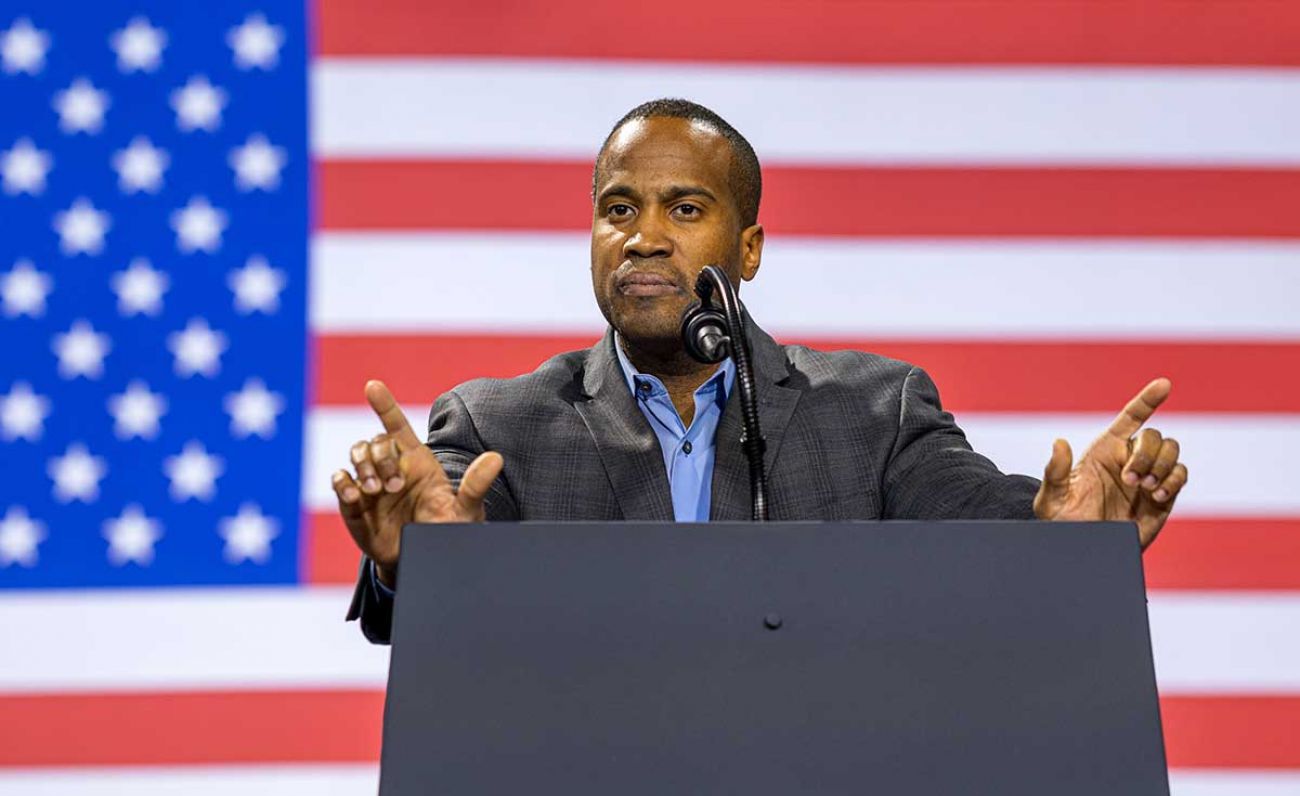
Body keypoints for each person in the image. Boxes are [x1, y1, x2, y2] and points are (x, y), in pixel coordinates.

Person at [334, 99, 1188, 644]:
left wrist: (1065, 539)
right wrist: (418, 559)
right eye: (618, 208)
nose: (645, 235)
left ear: (747, 249)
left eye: (687, 208)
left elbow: (980, 528)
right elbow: (428, 574)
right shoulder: (496, 427)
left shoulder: (873, 411)